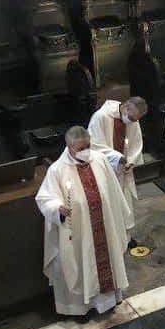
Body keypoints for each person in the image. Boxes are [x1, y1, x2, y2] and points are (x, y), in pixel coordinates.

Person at [36, 126, 133, 319]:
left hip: (104, 225)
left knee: (107, 259)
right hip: (78, 232)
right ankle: (81, 309)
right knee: (80, 264)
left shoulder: (100, 159)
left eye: (87, 146)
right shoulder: (57, 170)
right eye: (80, 148)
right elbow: (44, 198)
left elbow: (113, 190)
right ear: (69, 147)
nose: (85, 151)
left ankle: (109, 300)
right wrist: (57, 208)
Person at [88, 96, 148, 246]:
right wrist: (117, 157)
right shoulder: (101, 117)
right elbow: (93, 145)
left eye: (136, 119)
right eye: (132, 118)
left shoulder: (133, 119)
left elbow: (136, 143)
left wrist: (131, 161)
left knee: (125, 202)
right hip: (106, 169)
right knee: (110, 205)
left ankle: (125, 238)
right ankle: (112, 240)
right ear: (126, 107)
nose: (133, 122)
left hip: (123, 171)